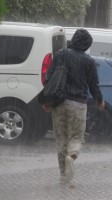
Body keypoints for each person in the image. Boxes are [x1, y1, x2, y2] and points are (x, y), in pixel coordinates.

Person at [43, 29, 105, 183]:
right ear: (86, 45)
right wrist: (99, 100)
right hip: (78, 104)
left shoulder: (60, 54)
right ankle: (72, 156)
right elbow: (93, 85)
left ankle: (63, 175)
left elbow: (48, 77)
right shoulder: (89, 61)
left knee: (61, 138)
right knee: (76, 136)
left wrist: (47, 99)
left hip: (58, 102)